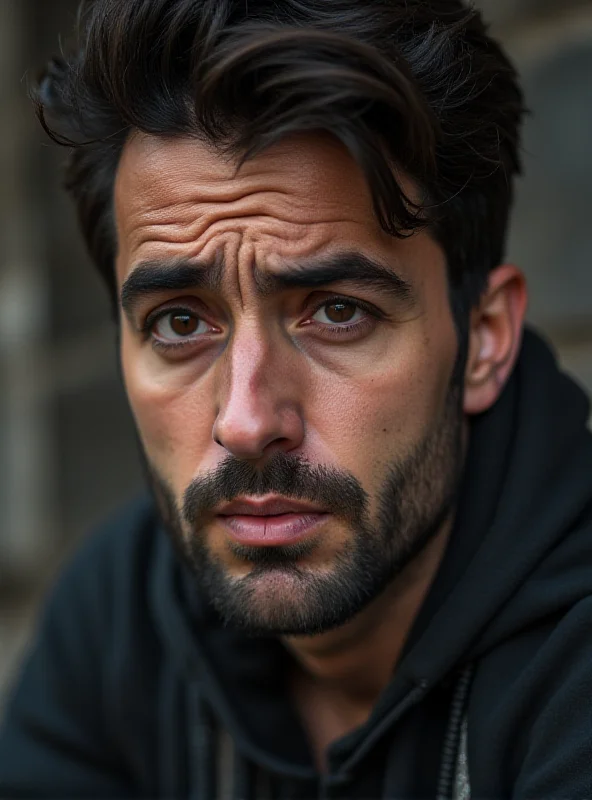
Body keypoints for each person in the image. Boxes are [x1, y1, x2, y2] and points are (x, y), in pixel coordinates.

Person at [1, 0, 591, 797]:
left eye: (338, 312)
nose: (245, 423)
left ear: (483, 338)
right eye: (180, 322)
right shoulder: (119, 616)